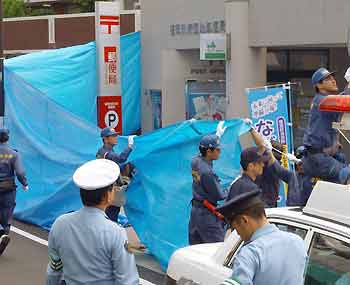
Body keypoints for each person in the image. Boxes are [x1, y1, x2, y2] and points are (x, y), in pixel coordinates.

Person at [46, 159, 139, 285]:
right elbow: (127, 280)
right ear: (107, 195)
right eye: (113, 188)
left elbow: (54, 270)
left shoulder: (60, 223)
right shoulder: (116, 232)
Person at [217, 190, 307, 285]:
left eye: (236, 228)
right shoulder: (298, 242)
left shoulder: (251, 252)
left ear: (244, 220)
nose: (238, 234)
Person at [303, 67, 350, 184]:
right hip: (318, 159)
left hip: (318, 157)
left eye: (332, 77)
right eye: (328, 79)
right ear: (319, 86)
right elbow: (344, 101)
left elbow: (341, 98)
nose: (333, 80)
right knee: (347, 174)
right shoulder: (323, 101)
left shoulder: (323, 100)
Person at [189, 122, 228, 245]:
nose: (219, 152)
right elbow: (219, 195)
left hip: (195, 212)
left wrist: (217, 136)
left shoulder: (196, 161)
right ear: (209, 151)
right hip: (206, 215)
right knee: (217, 248)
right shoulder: (207, 173)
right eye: (217, 150)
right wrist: (232, 187)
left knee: (196, 250)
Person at [96, 127, 135, 222]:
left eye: (116, 135)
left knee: (114, 212)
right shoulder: (104, 152)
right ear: (105, 139)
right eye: (113, 136)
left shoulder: (110, 151)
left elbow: (118, 165)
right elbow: (121, 158)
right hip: (107, 189)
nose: (116, 137)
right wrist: (130, 146)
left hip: (112, 188)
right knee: (110, 215)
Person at [0, 128, 29, 256]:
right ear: (7, 137)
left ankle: (1, 233)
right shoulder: (14, 154)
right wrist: (25, 183)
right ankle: (4, 234)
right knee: (6, 213)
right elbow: (20, 172)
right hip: (7, 189)